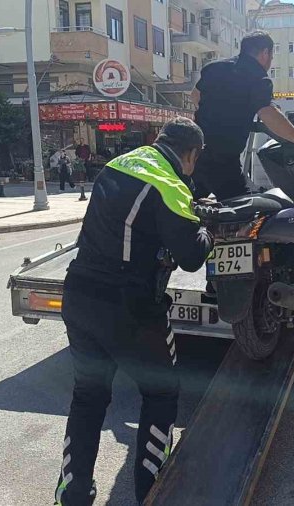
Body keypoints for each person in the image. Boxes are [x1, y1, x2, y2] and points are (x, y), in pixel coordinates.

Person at [54, 118, 213, 505]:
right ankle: (151, 493)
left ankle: (72, 494)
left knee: (88, 397)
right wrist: (205, 225)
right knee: (161, 393)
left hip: (80, 294)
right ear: (191, 155)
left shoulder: (120, 163)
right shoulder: (169, 184)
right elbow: (192, 256)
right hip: (129, 306)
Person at [191, 30, 294, 200]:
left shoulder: (213, 68)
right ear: (265, 53)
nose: (270, 61)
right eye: (271, 56)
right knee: (247, 208)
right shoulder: (259, 79)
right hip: (223, 161)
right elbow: (268, 113)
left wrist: (217, 115)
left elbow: (195, 96)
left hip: (193, 154)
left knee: (187, 206)